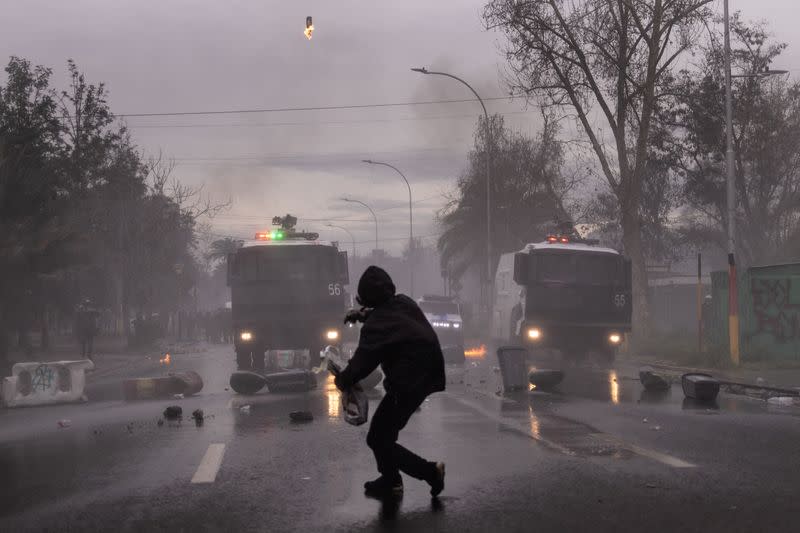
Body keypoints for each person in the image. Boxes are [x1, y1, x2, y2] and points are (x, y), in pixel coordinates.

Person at [334, 266, 446, 499]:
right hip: (426, 374)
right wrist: (361, 315)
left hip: (408, 383)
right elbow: (388, 314)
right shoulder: (404, 302)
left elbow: (363, 363)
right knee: (384, 434)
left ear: (366, 297)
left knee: (377, 438)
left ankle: (430, 472)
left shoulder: (377, 327)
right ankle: (391, 480)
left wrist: (342, 380)